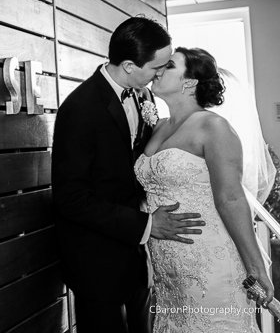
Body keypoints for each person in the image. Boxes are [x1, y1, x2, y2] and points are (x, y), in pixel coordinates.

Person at [52, 17, 205, 333]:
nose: (161, 74)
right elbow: (71, 199)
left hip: (138, 257)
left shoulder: (145, 95)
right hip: (96, 260)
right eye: (157, 67)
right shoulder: (79, 108)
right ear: (129, 66)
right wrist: (147, 225)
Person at [135, 47, 274, 332]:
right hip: (168, 269)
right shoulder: (158, 126)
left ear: (189, 82)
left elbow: (231, 198)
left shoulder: (214, 127)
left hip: (209, 261)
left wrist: (255, 266)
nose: (158, 69)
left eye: (169, 66)